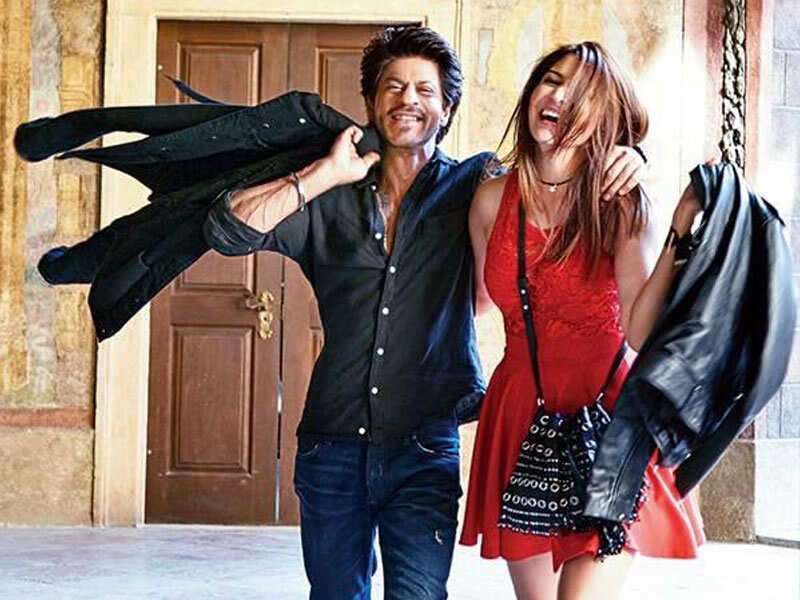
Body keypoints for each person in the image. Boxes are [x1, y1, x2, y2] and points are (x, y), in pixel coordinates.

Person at [204, 28, 646, 600]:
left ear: (448, 109)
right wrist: (323, 175)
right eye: (392, 87)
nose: (407, 99)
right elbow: (228, 231)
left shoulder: (474, 186)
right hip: (332, 442)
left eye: (424, 89)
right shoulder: (330, 194)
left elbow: (554, 182)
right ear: (370, 103)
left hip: (425, 444)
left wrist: (630, 156)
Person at [460, 41, 706, 600]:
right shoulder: (490, 200)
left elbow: (641, 331)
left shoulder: (621, 202)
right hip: (522, 413)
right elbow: (477, 301)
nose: (559, 95)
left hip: (610, 419)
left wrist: (675, 227)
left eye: (581, 91)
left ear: (605, 116)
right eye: (551, 80)